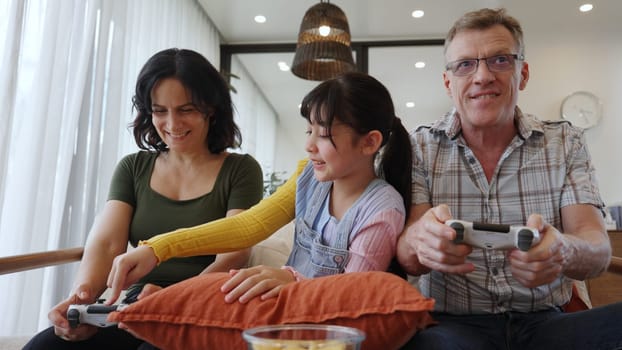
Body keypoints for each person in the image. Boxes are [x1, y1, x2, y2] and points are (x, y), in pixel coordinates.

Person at [395, 8, 622, 350]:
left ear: (523, 73)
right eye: (465, 64)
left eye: (500, 60)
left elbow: (596, 246)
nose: (482, 76)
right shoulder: (420, 147)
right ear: (448, 82)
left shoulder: (565, 142)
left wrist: (562, 251)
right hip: (454, 328)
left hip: (547, 323)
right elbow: (408, 248)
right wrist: (421, 241)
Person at [23, 48, 264, 350]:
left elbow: (235, 251)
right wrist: (81, 299)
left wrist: (173, 298)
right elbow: (107, 244)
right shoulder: (133, 167)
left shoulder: (241, 170)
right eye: (160, 110)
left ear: (211, 109)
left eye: (186, 109)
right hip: (134, 307)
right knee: (44, 347)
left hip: (199, 308)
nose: (172, 123)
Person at [105, 71, 413, 305]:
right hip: (282, 315)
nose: (308, 146)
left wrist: (292, 280)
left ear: (369, 142)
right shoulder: (309, 178)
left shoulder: (382, 209)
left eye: (323, 135)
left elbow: (352, 296)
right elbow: (250, 225)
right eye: (309, 131)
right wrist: (157, 248)